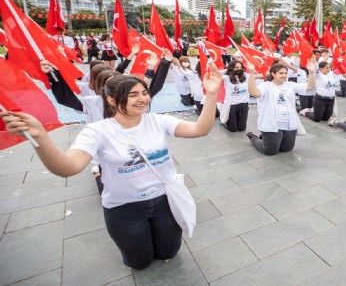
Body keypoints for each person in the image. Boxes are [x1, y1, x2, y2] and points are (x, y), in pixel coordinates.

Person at [1, 65, 222, 269]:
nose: (142, 99)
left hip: (165, 200)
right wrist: (40, 137)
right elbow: (68, 167)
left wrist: (211, 94)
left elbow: (199, 129)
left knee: (169, 252)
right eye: (133, 94)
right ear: (112, 100)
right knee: (139, 262)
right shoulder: (97, 131)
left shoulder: (159, 120)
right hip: (124, 209)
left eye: (144, 93)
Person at [246, 60, 316, 155]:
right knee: (270, 151)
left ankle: (268, 139)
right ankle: (254, 138)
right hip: (272, 124)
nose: (284, 75)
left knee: (287, 149)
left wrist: (311, 72)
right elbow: (253, 93)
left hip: (289, 123)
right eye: (281, 73)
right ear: (273, 74)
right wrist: (251, 74)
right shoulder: (266, 86)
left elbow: (310, 87)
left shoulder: (290, 85)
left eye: (286, 73)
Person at [220, 60, 250, 132]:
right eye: (236, 67)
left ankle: (236, 121)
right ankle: (223, 121)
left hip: (244, 104)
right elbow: (217, 77)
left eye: (240, 67)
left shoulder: (246, 76)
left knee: (242, 128)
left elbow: (259, 76)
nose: (239, 69)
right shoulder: (226, 78)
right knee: (232, 129)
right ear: (231, 68)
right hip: (232, 105)